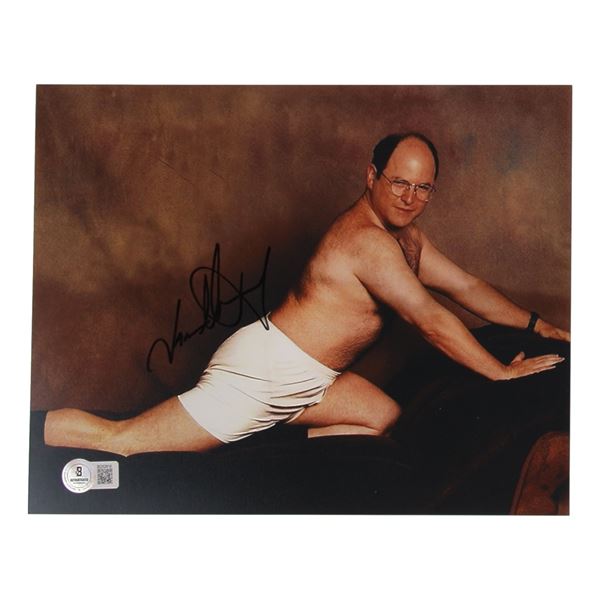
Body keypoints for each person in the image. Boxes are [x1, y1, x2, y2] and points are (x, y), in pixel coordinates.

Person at [44, 132, 570, 457]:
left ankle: (262, 444)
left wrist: (538, 325)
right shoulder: (366, 243)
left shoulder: (406, 239)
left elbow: (465, 286)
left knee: (381, 420)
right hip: (262, 374)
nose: (410, 198)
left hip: (312, 382)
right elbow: (429, 319)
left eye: (423, 187)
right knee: (124, 441)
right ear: (372, 176)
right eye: (398, 183)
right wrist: (499, 372)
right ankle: (25, 435)